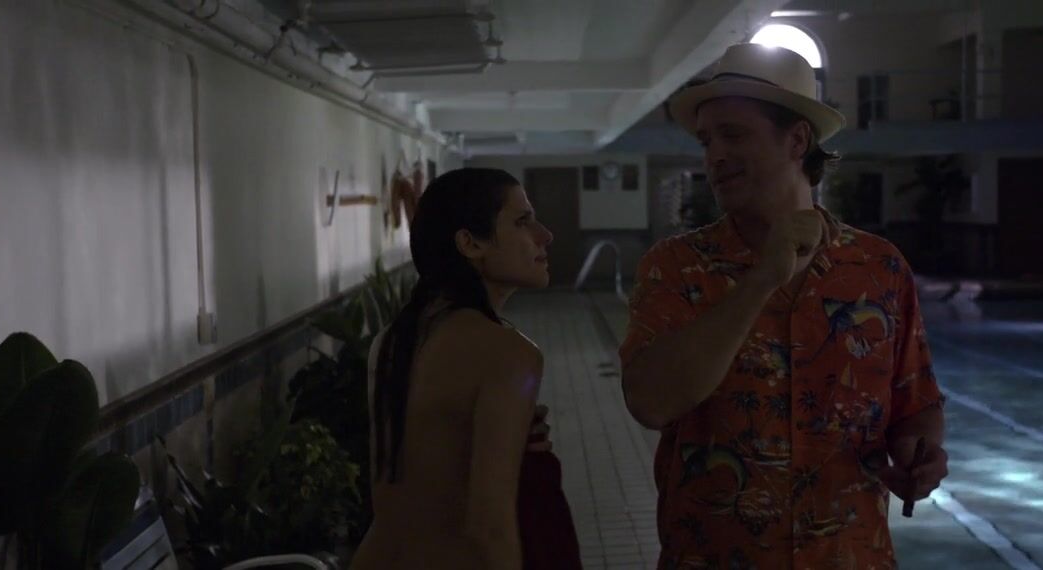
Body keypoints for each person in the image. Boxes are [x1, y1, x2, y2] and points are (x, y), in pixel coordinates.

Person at [620, 43, 948, 568]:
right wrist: (760, 281)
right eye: (707, 140)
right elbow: (651, 402)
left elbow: (917, 403)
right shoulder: (677, 267)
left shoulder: (878, 267)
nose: (714, 155)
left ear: (797, 140)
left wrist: (921, 457)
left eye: (732, 135)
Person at [350, 168, 580, 570]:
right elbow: (489, 528)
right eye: (522, 221)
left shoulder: (390, 342)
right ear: (470, 243)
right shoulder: (507, 352)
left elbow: (396, 504)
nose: (545, 235)